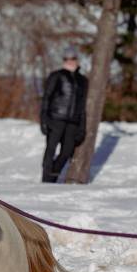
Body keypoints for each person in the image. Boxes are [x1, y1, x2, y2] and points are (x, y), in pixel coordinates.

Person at [39, 49, 88, 183]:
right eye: (67, 59)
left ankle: (53, 175)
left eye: (73, 58)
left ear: (77, 60)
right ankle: (46, 180)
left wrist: (82, 127)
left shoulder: (82, 80)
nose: (70, 61)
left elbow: (82, 106)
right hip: (55, 119)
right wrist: (43, 120)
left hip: (73, 122)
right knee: (50, 149)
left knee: (67, 151)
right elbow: (46, 98)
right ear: (64, 60)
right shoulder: (56, 76)